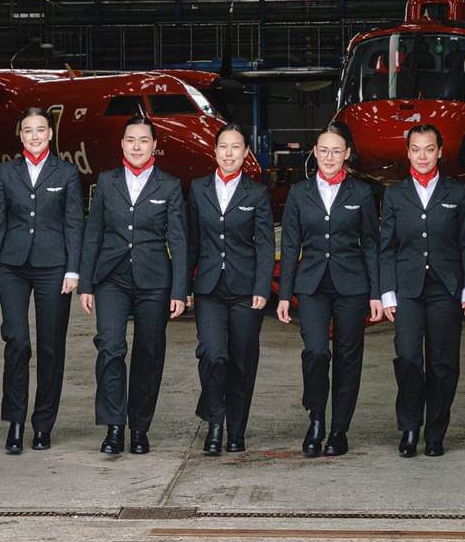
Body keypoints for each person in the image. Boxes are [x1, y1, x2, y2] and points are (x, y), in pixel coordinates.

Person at [79, 115, 188, 455]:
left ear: (155, 146)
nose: (137, 146)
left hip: (154, 280)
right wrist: (86, 283)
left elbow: (180, 240)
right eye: (130, 140)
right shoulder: (107, 182)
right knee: (110, 348)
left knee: (149, 353)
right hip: (111, 278)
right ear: (122, 144)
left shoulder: (169, 186)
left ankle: (139, 427)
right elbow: (93, 233)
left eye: (144, 140)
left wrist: (179, 290)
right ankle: (114, 426)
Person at [0, 107, 84, 454]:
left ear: (51, 134)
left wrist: (74, 269)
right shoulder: (6, 171)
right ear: (20, 135)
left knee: (51, 347)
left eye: (41, 130)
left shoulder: (67, 172)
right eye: (28, 130)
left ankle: (43, 424)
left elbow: (74, 223)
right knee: (17, 342)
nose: (35, 136)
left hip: (54, 266)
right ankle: (14, 422)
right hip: (11, 265)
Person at [277, 123, 382, 457]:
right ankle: (317, 418)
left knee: (349, 358)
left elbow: (371, 245)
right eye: (324, 150)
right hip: (312, 285)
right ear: (315, 153)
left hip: (352, 285)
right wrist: (284, 294)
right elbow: (290, 244)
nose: (330, 157)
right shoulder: (299, 193)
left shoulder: (361, 193)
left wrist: (376, 293)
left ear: (347, 154)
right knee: (317, 352)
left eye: (337, 151)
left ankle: (339, 430)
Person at [380, 123, 465, 458]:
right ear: (408, 152)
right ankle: (409, 427)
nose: (423, 156)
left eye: (429, 149)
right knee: (408, 357)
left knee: (442, 364)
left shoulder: (457, 194)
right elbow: (387, 248)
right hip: (407, 290)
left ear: (440, 151)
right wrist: (387, 292)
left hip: (446, 289)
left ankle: (435, 432)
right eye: (416, 149)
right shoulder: (394, 194)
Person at [187, 123, 273, 455]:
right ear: (215, 150)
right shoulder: (198, 189)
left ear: (246, 153)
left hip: (246, 290)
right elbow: (191, 242)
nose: (229, 153)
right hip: (209, 287)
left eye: (236, 147)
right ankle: (215, 421)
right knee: (212, 354)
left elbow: (265, 246)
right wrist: (184, 288)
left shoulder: (257, 193)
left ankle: (236, 430)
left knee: (241, 361)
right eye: (223, 146)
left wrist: (263, 287)